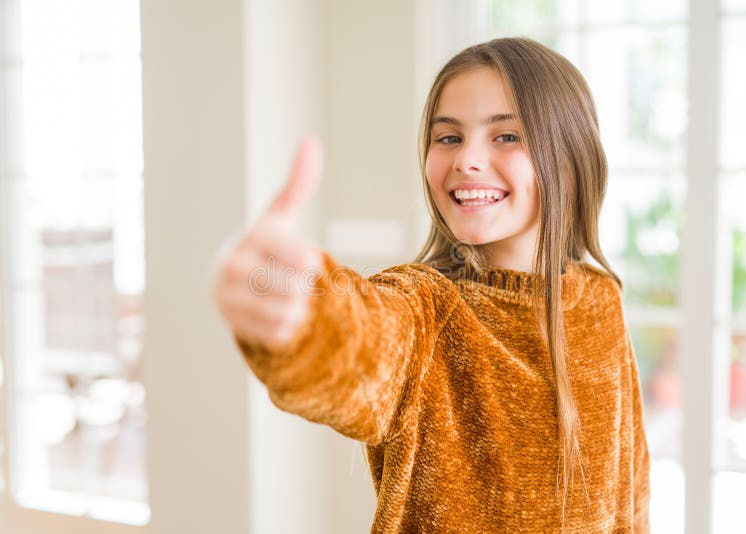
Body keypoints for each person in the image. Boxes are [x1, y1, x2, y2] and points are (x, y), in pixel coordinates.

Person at [212, 37, 651, 533]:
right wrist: (301, 311)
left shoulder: (600, 298)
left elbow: (629, 493)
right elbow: (361, 339)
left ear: (571, 157)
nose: (467, 159)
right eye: (448, 138)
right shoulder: (426, 308)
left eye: (506, 136)